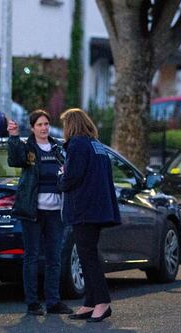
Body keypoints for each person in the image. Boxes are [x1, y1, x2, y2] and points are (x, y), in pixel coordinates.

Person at [57, 108, 121, 323]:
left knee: (88, 257)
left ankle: (102, 302)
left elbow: (72, 177)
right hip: (98, 209)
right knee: (88, 255)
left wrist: (61, 178)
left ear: (71, 125)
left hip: (83, 209)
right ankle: (91, 301)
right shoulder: (97, 145)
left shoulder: (77, 144)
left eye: (65, 125)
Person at [7, 110, 72, 316]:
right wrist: (14, 136)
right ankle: (33, 302)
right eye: (39, 125)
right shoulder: (28, 148)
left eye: (46, 124)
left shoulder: (58, 148)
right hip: (33, 211)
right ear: (32, 128)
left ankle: (53, 301)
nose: (43, 128)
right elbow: (14, 160)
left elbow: (67, 171)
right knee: (32, 257)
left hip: (55, 212)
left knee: (54, 258)